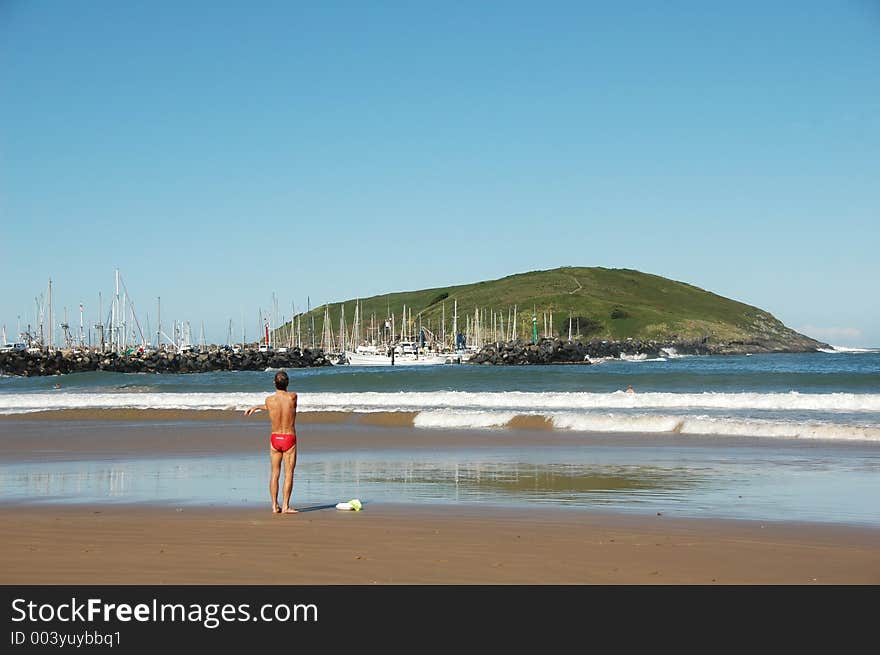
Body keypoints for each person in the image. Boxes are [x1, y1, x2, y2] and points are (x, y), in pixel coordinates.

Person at [244, 370, 299, 514]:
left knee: (275, 473)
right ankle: (285, 506)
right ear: (287, 383)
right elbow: (285, 404)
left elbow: (271, 406)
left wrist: (256, 407)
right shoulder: (293, 397)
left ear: (274, 383)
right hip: (289, 438)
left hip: (275, 439)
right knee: (289, 473)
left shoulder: (269, 400)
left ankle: (275, 506)